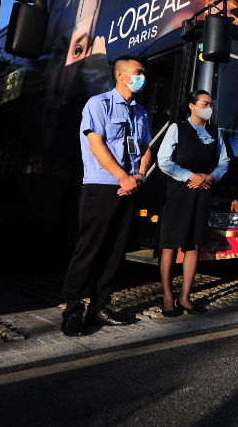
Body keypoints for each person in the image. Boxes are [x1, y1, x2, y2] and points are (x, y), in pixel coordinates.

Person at [61, 56, 152, 336]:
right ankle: (73, 311)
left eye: (143, 73)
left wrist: (139, 176)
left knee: (114, 251)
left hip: (130, 187)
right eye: (138, 72)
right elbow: (96, 144)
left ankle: (99, 307)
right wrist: (122, 177)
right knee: (88, 249)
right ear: (121, 75)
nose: (142, 77)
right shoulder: (98, 104)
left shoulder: (140, 113)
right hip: (101, 187)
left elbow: (145, 148)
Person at [157, 89, 230, 317]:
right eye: (205, 104)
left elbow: (224, 161)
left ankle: (185, 297)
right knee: (170, 244)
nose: (209, 108)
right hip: (179, 192)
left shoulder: (215, 132)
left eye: (211, 105)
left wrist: (211, 177)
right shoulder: (176, 128)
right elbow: (163, 161)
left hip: (203, 192)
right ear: (192, 105)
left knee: (194, 245)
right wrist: (190, 176)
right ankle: (167, 297)